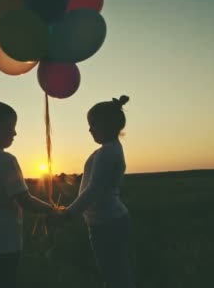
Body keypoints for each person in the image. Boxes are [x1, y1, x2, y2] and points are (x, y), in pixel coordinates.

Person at [0, 101, 58, 288]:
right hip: (2, 244)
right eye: (11, 127)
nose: (15, 133)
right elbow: (24, 199)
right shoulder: (5, 160)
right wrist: (53, 210)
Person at [56, 95, 135, 288]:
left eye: (93, 124)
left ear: (107, 124)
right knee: (114, 273)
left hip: (108, 223)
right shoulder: (110, 149)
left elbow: (93, 190)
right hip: (108, 222)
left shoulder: (108, 151)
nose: (89, 129)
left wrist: (68, 214)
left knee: (115, 275)